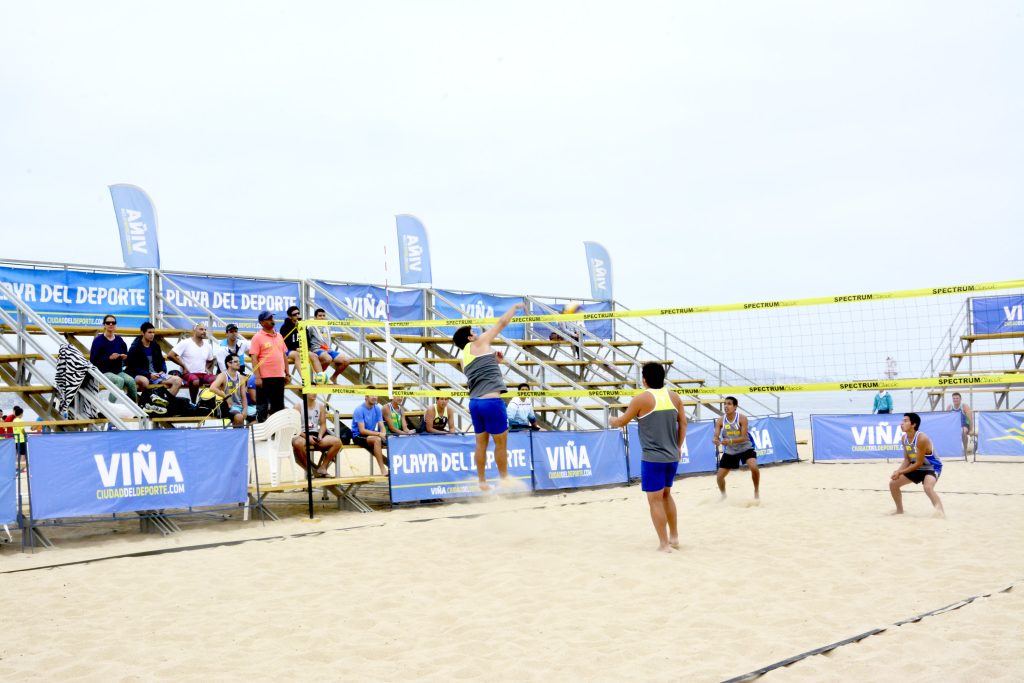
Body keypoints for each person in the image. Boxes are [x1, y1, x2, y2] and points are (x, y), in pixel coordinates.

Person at [609, 362, 687, 552]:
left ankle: (664, 544)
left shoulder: (641, 399)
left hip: (653, 459)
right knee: (667, 495)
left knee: (655, 501)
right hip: (671, 457)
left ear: (644, 379)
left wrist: (612, 420)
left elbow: (622, 422)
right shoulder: (674, 397)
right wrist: (678, 447)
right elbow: (683, 424)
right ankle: (674, 537)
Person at [453, 302, 526, 490]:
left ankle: (482, 482)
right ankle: (504, 480)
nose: (476, 332)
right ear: (469, 337)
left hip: (475, 403)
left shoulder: (463, 358)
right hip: (492, 402)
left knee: (481, 445)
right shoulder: (479, 342)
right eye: (473, 331)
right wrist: (515, 308)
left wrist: (495, 362)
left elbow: (481, 373)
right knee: (501, 445)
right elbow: (502, 322)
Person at [889, 412, 945, 516]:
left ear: (913, 424)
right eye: (902, 421)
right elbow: (907, 459)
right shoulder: (904, 438)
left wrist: (900, 472)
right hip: (917, 466)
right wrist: (898, 472)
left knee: (928, 487)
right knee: (893, 484)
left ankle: (941, 513)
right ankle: (899, 511)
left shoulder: (921, 438)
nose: (901, 423)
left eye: (905, 421)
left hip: (932, 467)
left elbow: (918, 463)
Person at [713, 396, 760, 500]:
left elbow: (743, 437)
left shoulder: (742, 418)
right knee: (719, 477)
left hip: (745, 447)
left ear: (735, 407)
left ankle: (756, 491)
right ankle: (723, 495)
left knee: (754, 468)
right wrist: (715, 440)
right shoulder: (720, 421)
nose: (726, 406)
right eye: (725, 404)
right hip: (731, 450)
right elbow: (716, 435)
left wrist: (729, 441)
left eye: (729, 404)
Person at [249, 311, 289, 421]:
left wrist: (287, 373)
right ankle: (263, 432)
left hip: (279, 377)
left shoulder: (279, 336)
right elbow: (254, 358)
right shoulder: (257, 337)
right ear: (262, 323)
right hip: (264, 378)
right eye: (269, 318)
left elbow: (284, 356)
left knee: (279, 407)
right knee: (263, 406)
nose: (272, 320)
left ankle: (277, 433)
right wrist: (257, 377)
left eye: (272, 317)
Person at [89, 315, 138, 404]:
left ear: (115, 325)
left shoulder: (119, 340)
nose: (111, 324)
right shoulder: (98, 340)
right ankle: (110, 406)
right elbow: (93, 360)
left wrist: (124, 357)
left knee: (131, 381)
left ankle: (134, 407)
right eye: (108, 323)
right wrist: (109, 358)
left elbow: (127, 358)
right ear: (104, 325)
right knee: (119, 381)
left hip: (118, 371)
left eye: (113, 323)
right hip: (102, 372)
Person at [292, 393, 343, 477]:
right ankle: (309, 470)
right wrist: (306, 437)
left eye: (315, 390)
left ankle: (323, 467)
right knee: (298, 443)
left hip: (315, 433)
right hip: (301, 433)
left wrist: (320, 435)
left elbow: (323, 424)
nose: (314, 393)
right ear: (306, 392)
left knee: (337, 442)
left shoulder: (320, 406)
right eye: (312, 390)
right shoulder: (298, 406)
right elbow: (294, 426)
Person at [127, 322, 183, 396]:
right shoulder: (135, 347)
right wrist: (149, 375)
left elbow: (162, 361)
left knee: (178, 380)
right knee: (144, 381)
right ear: (142, 333)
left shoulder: (155, 346)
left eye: (153, 332)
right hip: (140, 375)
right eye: (149, 332)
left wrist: (162, 370)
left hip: (156, 375)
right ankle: (144, 403)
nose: (152, 334)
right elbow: (133, 367)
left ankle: (166, 403)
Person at [166, 323, 216, 403]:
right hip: (187, 374)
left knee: (217, 379)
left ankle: (211, 403)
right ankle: (193, 403)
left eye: (205, 330)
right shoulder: (185, 342)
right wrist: (183, 366)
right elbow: (170, 355)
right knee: (195, 380)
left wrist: (207, 369)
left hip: (202, 374)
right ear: (194, 330)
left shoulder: (208, 345)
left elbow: (210, 360)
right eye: (201, 329)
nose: (204, 331)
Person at [279, 306, 325, 384]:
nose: (297, 315)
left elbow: (307, 339)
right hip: (288, 349)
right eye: (295, 314)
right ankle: (305, 380)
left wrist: (304, 348)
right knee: (297, 355)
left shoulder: (302, 324)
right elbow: (285, 343)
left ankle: (322, 379)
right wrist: (296, 348)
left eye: (298, 313)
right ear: (290, 317)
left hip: (301, 348)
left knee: (313, 355)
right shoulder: (285, 327)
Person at [200, 353, 248, 426]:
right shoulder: (223, 376)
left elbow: (243, 396)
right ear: (229, 363)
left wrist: (245, 409)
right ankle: (238, 436)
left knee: (255, 416)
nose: (238, 363)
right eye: (235, 361)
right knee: (239, 417)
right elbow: (212, 387)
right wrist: (225, 396)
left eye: (239, 361)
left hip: (239, 406)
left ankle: (245, 435)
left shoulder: (241, 377)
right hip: (227, 407)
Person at [309, 308, 352, 383]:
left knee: (346, 360)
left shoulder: (327, 326)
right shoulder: (311, 327)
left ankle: (333, 377)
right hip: (317, 350)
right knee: (328, 359)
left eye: (323, 315)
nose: (322, 317)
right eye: (320, 316)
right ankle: (320, 378)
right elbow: (307, 339)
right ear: (315, 317)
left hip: (329, 350)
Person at [351, 393, 388, 476]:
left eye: (376, 395)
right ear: (366, 397)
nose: (374, 397)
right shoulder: (359, 410)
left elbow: (381, 425)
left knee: (390, 439)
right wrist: (379, 434)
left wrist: (384, 434)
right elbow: (362, 431)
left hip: (371, 434)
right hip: (358, 436)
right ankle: (383, 470)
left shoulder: (377, 408)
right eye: (372, 395)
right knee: (377, 439)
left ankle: (393, 468)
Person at [950, 392, 973, 457]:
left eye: (957, 398)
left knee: (963, 432)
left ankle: (965, 450)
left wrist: (971, 429)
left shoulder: (964, 406)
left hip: (964, 425)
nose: (955, 400)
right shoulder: (950, 407)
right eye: (954, 398)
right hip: (954, 426)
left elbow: (970, 419)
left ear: (960, 399)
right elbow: (946, 418)